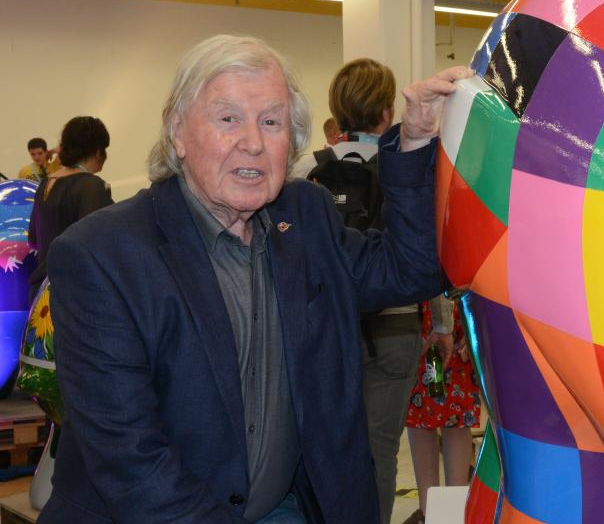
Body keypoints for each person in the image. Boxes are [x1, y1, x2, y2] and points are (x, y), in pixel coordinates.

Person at [41, 34, 472, 524]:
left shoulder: (304, 218)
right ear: (178, 132)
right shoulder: (101, 257)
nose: (252, 141)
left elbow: (411, 268)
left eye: (271, 122)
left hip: (285, 507)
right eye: (228, 119)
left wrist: (415, 140)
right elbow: (132, 464)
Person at [314, 58, 453, 524]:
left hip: (329, 328)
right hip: (395, 324)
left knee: (326, 444)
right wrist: (442, 323)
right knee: (380, 447)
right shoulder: (404, 166)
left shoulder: (309, 175)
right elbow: (420, 252)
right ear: (386, 111)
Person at [402, 293, 481, 524]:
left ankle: (450, 511)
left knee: (455, 414)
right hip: (425, 307)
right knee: (420, 414)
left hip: (451, 305)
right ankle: (431, 513)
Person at [27, 117, 112, 301]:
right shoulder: (90, 185)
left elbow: (33, 238)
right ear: (98, 151)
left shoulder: (45, 184)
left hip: (42, 296)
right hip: (75, 295)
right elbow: (95, 245)